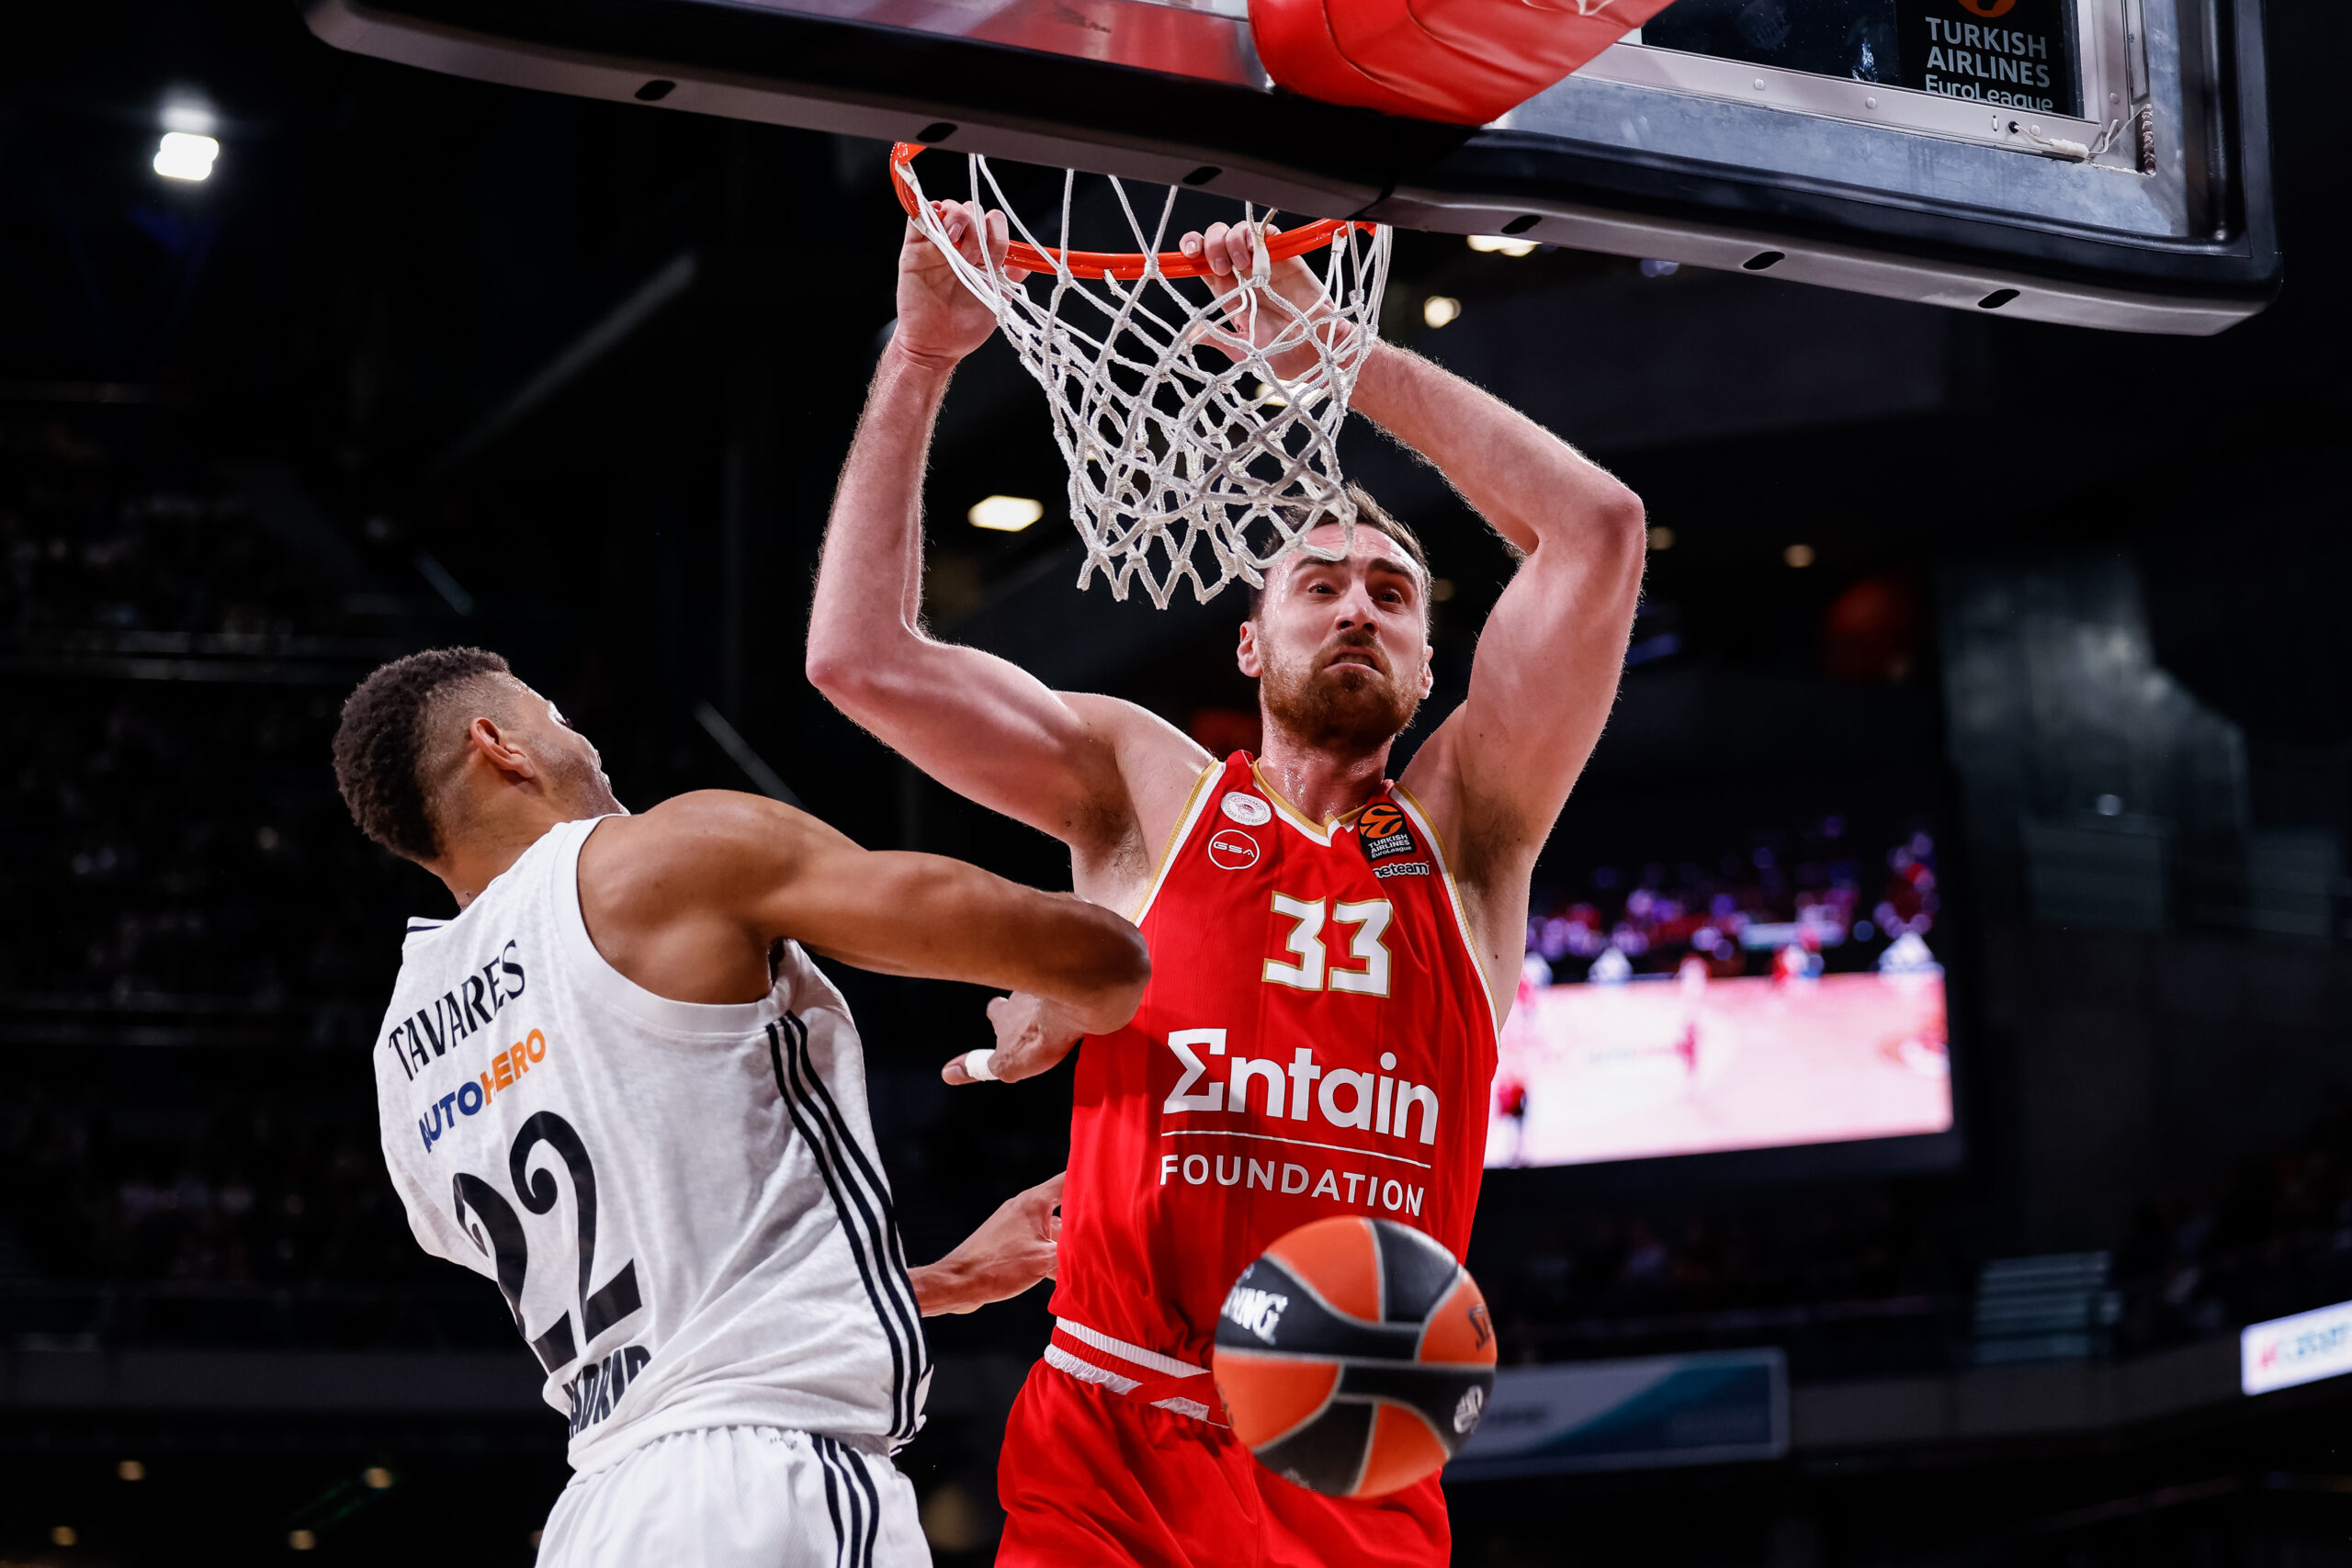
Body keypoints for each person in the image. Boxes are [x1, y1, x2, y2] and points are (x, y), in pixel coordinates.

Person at [807, 207, 1645, 1566]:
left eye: (1393, 592)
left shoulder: (1470, 834)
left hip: (1349, 1450)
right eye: (1320, 583)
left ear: (1430, 668)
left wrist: (1340, 356)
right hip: (1111, 1435)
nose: (1359, 605)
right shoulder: (1147, 791)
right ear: (1250, 642)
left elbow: (1598, 528)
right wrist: (920, 359)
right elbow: (859, 659)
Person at [331, 647, 1150, 1568]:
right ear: (500, 745)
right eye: (555, 715)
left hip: (599, 1517)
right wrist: (1065, 977)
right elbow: (1103, 961)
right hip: (769, 1485)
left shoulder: (407, 1055)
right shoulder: (663, 857)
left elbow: (671, 1322)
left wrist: (935, 1282)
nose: (586, 743)